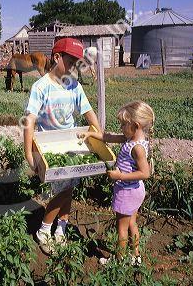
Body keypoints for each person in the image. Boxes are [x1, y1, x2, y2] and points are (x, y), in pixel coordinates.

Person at [23, 37, 102, 254]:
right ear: (56, 57)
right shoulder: (41, 87)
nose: (74, 67)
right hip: (49, 149)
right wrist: (28, 152)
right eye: (70, 61)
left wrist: (100, 137)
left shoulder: (74, 87)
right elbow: (29, 121)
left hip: (73, 146)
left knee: (69, 189)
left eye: (77, 62)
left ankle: (61, 229)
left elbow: (89, 114)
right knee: (63, 191)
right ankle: (44, 229)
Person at [79, 101, 155, 265]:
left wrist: (120, 176)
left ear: (135, 125)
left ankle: (119, 260)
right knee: (132, 223)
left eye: (123, 124)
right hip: (135, 191)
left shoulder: (137, 148)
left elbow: (145, 173)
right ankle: (135, 256)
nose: (120, 127)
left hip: (127, 192)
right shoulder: (133, 139)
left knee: (121, 228)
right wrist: (90, 134)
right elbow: (108, 137)